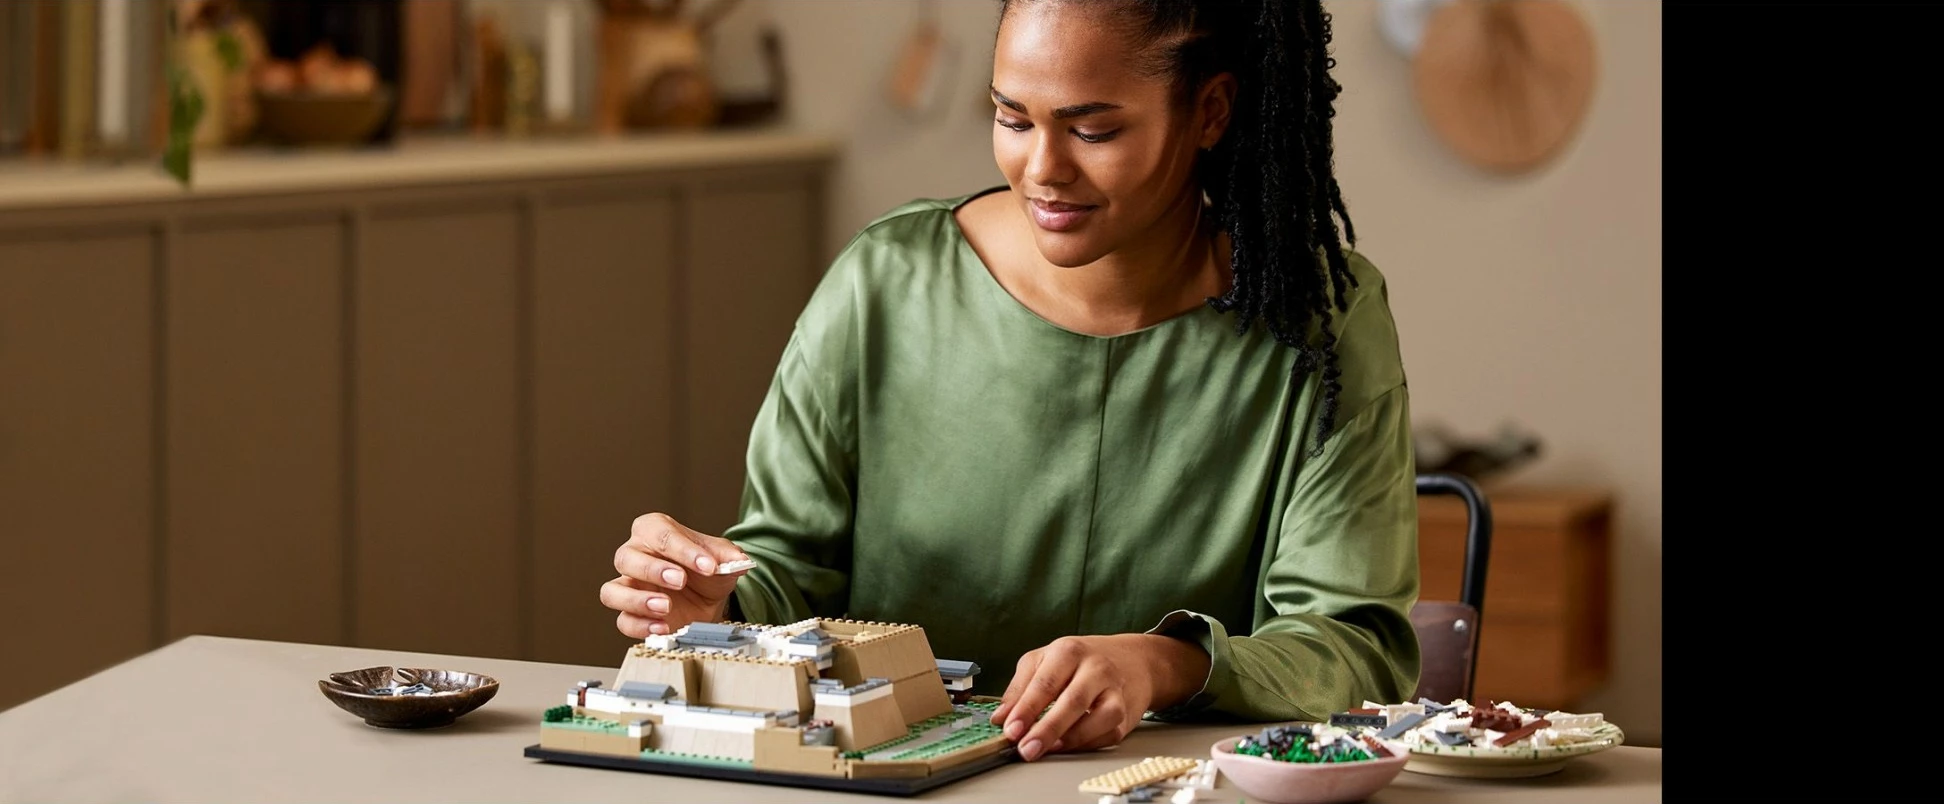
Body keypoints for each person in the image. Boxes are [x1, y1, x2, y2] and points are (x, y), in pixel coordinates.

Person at [594, 0, 1418, 764]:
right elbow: (790, 567)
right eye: (1012, 118)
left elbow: (1355, 647)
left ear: (1210, 111)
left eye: (1093, 130)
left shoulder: (1322, 323)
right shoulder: (885, 283)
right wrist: (716, 607)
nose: (1042, 169)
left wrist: (1164, 664)